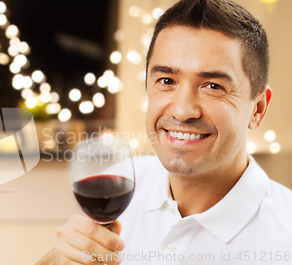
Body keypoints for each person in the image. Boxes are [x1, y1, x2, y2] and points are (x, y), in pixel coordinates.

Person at [35, 0, 292, 264]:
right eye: (167, 81)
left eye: (213, 86)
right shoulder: (122, 184)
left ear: (258, 109)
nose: (182, 111)